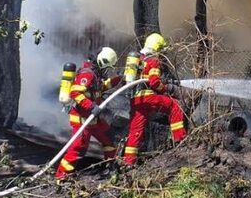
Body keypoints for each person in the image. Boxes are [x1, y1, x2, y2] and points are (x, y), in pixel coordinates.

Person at [55, 47, 122, 179]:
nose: (107, 71)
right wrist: (91, 106)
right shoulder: (87, 74)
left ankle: (110, 167)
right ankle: (61, 176)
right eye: (107, 68)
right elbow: (75, 92)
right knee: (78, 147)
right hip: (81, 119)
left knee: (108, 138)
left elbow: (100, 88)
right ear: (102, 62)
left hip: (92, 119)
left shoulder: (95, 75)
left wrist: (119, 79)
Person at [122, 33, 187, 165]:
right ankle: (180, 140)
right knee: (175, 105)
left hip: (136, 101)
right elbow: (154, 82)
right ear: (157, 48)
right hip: (148, 97)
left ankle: (128, 162)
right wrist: (166, 90)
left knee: (136, 130)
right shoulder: (153, 60)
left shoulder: (140, 59)